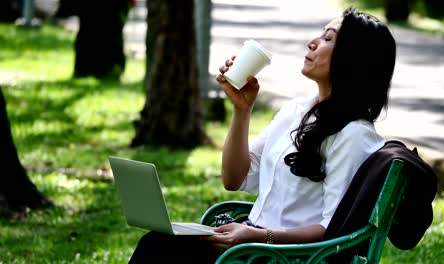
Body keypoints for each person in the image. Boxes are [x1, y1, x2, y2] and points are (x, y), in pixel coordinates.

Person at [128, 7, 396, 263]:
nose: (312, 42)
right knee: (158, 243)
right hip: (254, 247)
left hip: (288, 258)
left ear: (353, 58)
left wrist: (259, 236)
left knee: (158, 250)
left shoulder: (354, 136)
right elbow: (234, 178)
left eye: (328, 38)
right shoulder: (297, 110)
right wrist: (241, 110)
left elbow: (333, 229)